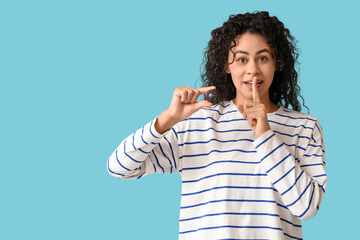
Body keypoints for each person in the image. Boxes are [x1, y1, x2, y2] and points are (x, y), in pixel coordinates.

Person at [107, 11, 327, 240]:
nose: (252, 69)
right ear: (226, 65)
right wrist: (167, 120)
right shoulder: (198, 123)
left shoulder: (304, 127)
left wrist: (265, 135)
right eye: (242, 59)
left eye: (263, 58)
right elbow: (120, 167)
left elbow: (307, 207)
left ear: (276, 63)